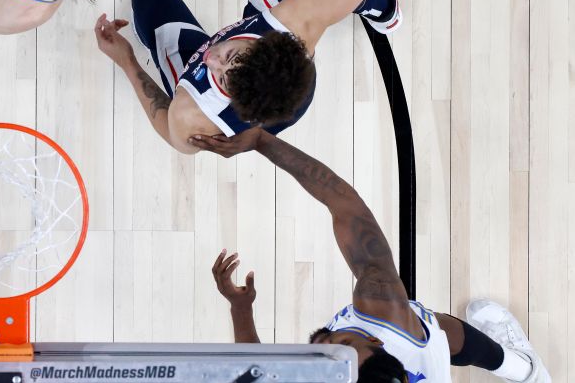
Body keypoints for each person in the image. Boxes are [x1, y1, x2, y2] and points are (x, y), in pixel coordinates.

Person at [197, 127, 551, 383]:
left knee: (437, 331)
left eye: (331, 360)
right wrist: (261, 140)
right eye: (344, 344)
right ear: (375, 340)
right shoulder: (382, 306)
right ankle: (527, 371)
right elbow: (345, 204)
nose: (325, 345)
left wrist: (240, 309)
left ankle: (524, 370)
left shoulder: (361, 337)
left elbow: (257, 372)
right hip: (425, 358)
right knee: (436, 333)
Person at [94, 0, 399, 152]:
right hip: (283, 95)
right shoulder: (294, 23)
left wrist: (127, 61)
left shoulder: (193, 111)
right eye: (231, 56)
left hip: (263, 111)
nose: (210, 58)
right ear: (266, 41)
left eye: (223, 78)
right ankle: (383, 4)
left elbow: (173, 134)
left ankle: (380, 4)